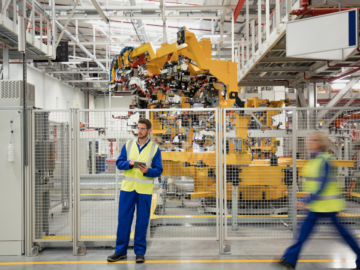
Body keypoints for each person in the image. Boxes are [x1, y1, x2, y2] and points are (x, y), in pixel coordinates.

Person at [278, 131, 360, 269]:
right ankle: (290, 259)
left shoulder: (326, 160)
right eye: (308, 139)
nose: (308, 142)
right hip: (316, 205)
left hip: (328, 206)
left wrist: (306, 201)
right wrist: (306, 199)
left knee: (344, 234)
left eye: (312, 140)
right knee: (302, 233)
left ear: (320, 143)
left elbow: (323, 184)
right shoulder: (313, 159)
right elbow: (313, 184)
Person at [107, 119, 163, 264]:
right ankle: (120, 251)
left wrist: (148, 171)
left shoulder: (154, 148)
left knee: (142, 221)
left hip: (144, 190)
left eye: (143, 129)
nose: (140, 131)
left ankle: (139, 252)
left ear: (149, 130)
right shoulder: (128, 144)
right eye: (138, 128)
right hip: (127, 189)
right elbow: (119, 163)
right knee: (124, 220)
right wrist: (129, 163)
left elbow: (158, 170)